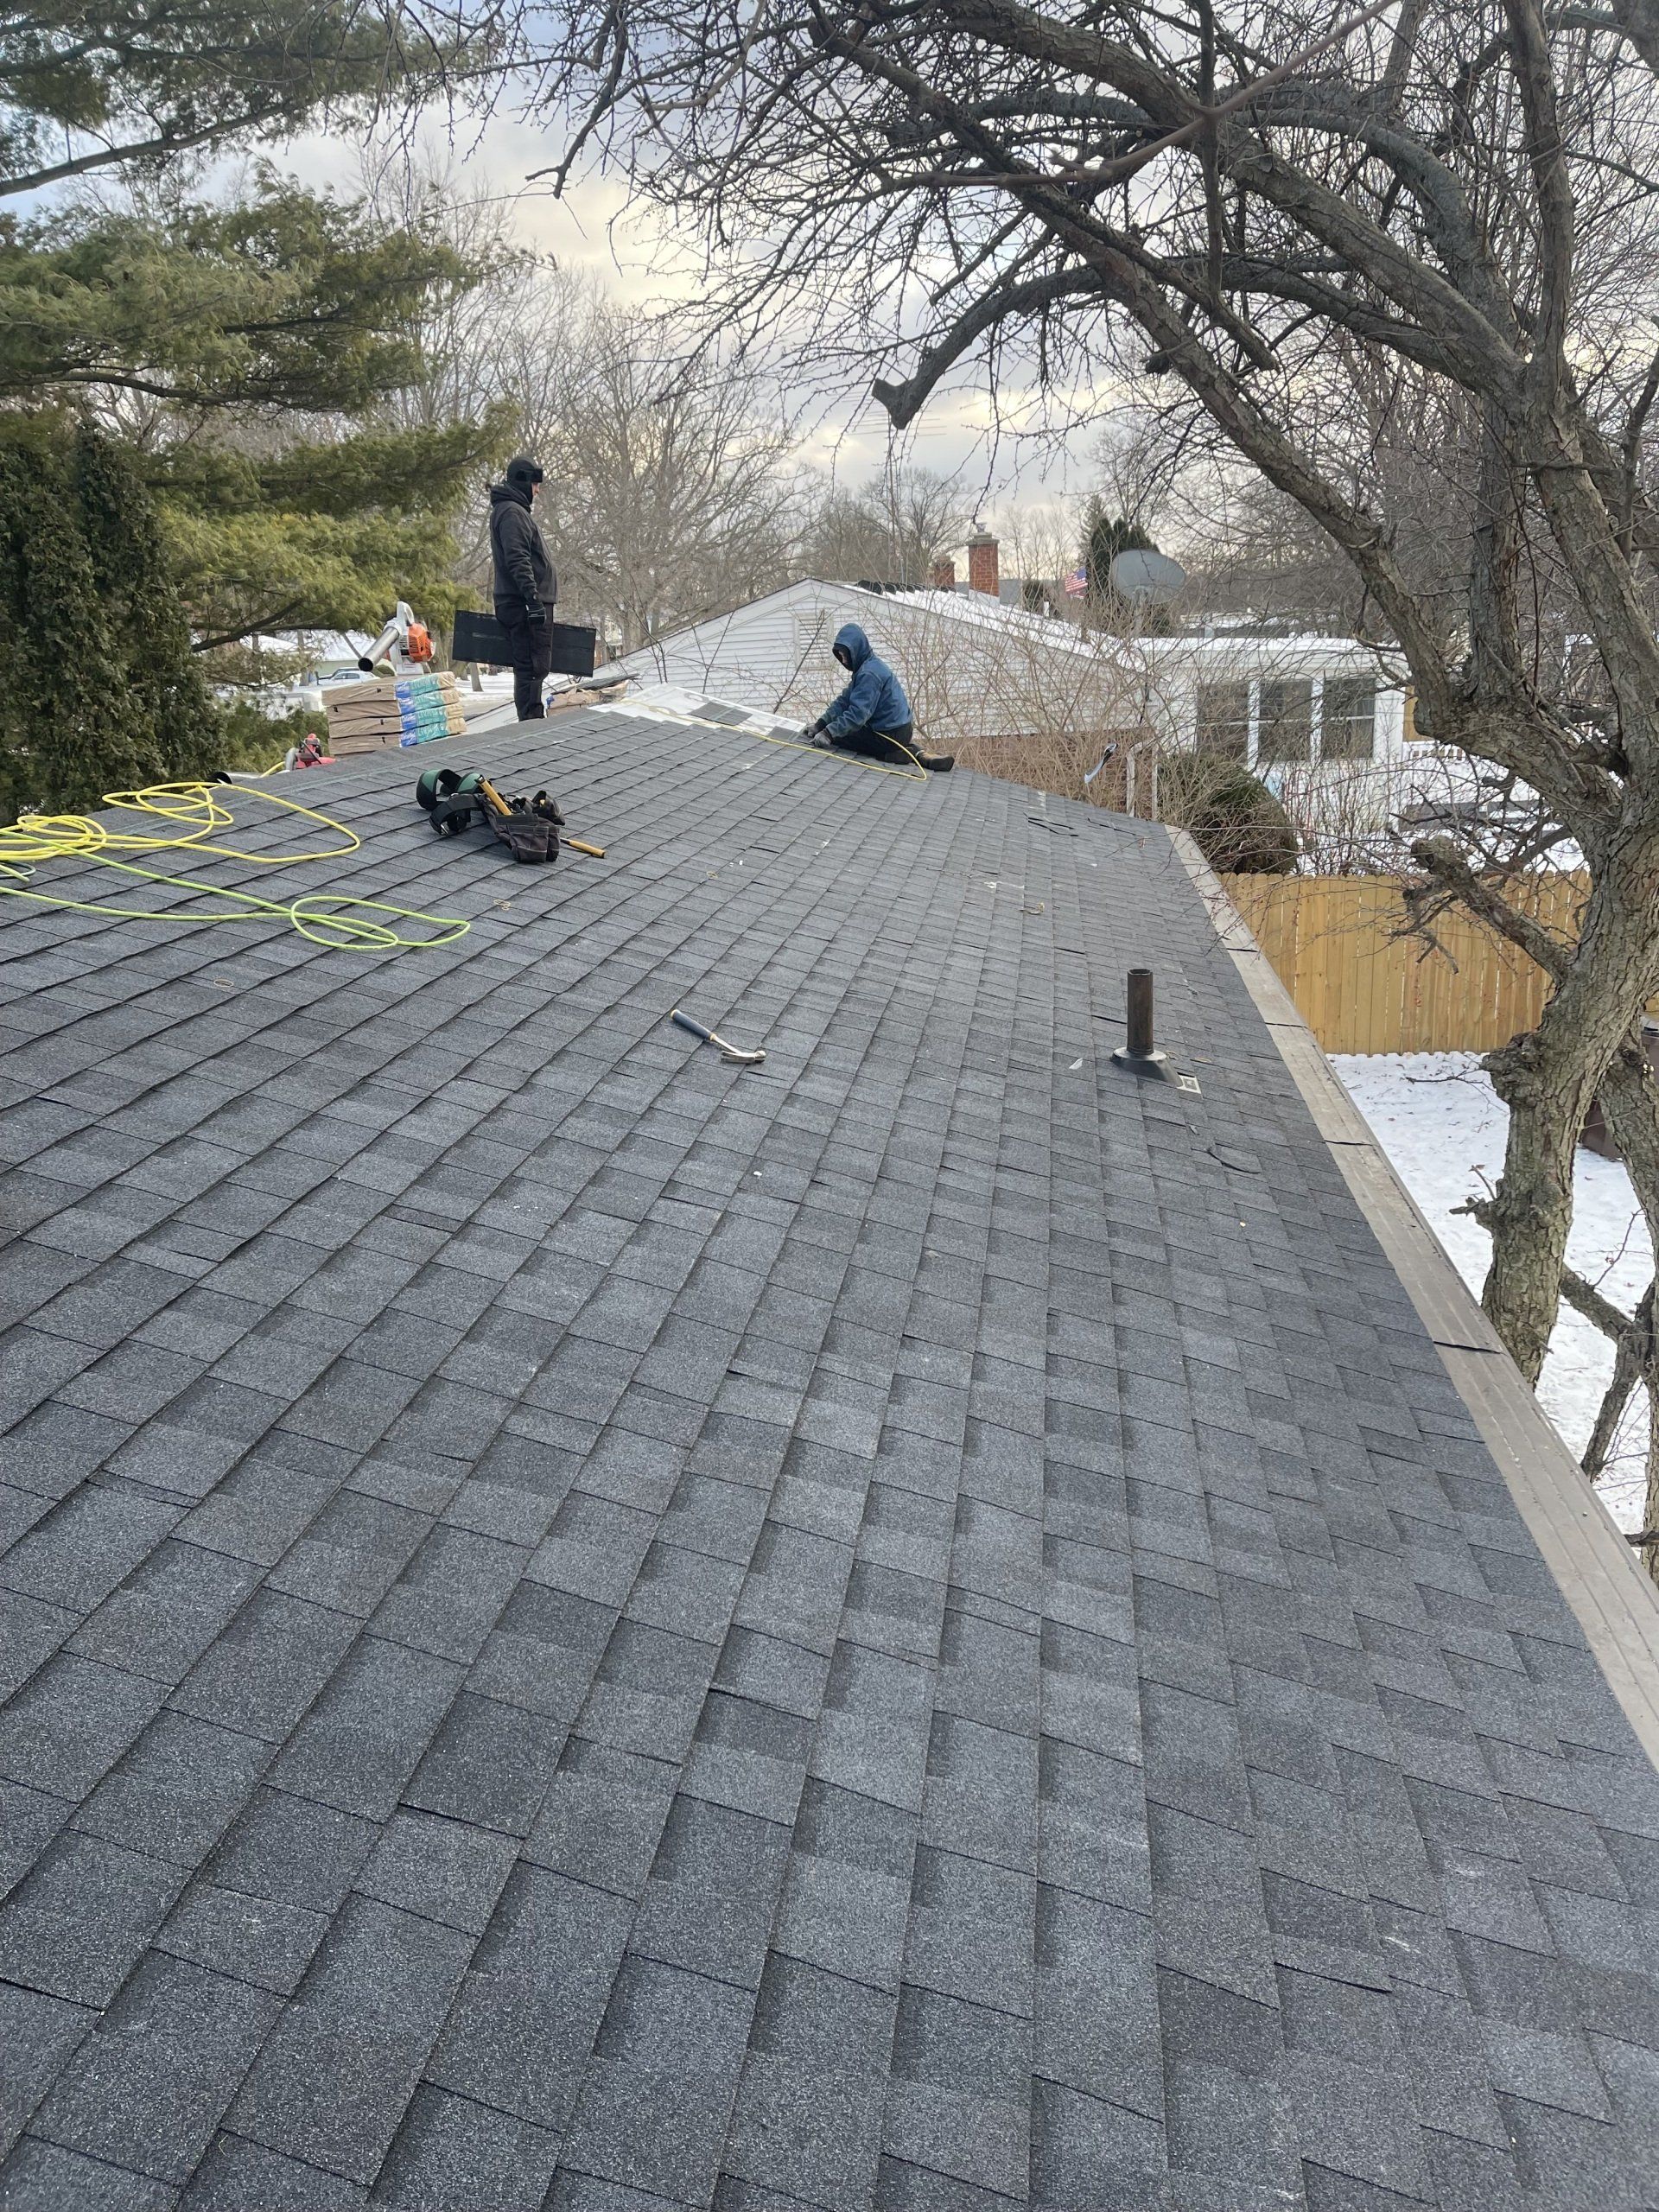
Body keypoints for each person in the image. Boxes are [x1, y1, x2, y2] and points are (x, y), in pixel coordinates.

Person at [804, 624, 953, 771]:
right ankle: (907, 750)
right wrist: (820, 724)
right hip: (898, 730)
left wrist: (828, 733)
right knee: (838, 731)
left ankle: (893, 753)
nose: (843, 661)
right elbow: (843, 702)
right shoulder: (867, 667)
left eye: (845, 656)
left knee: (839, 738)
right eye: (841, 657)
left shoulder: (869, 674)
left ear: (855, 650)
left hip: (889, 734)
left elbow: (858, 715)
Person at [489, 454, 558, 720]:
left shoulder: (512, 511)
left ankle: (532, 717)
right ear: (523, 482)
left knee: (533, 667)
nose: (538, 490)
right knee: (531, 666)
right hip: (523, 605)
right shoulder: (511, 513)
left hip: (523, 602)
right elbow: (517, 558)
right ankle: (531, 722)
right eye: (535, 483)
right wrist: (532, 599)